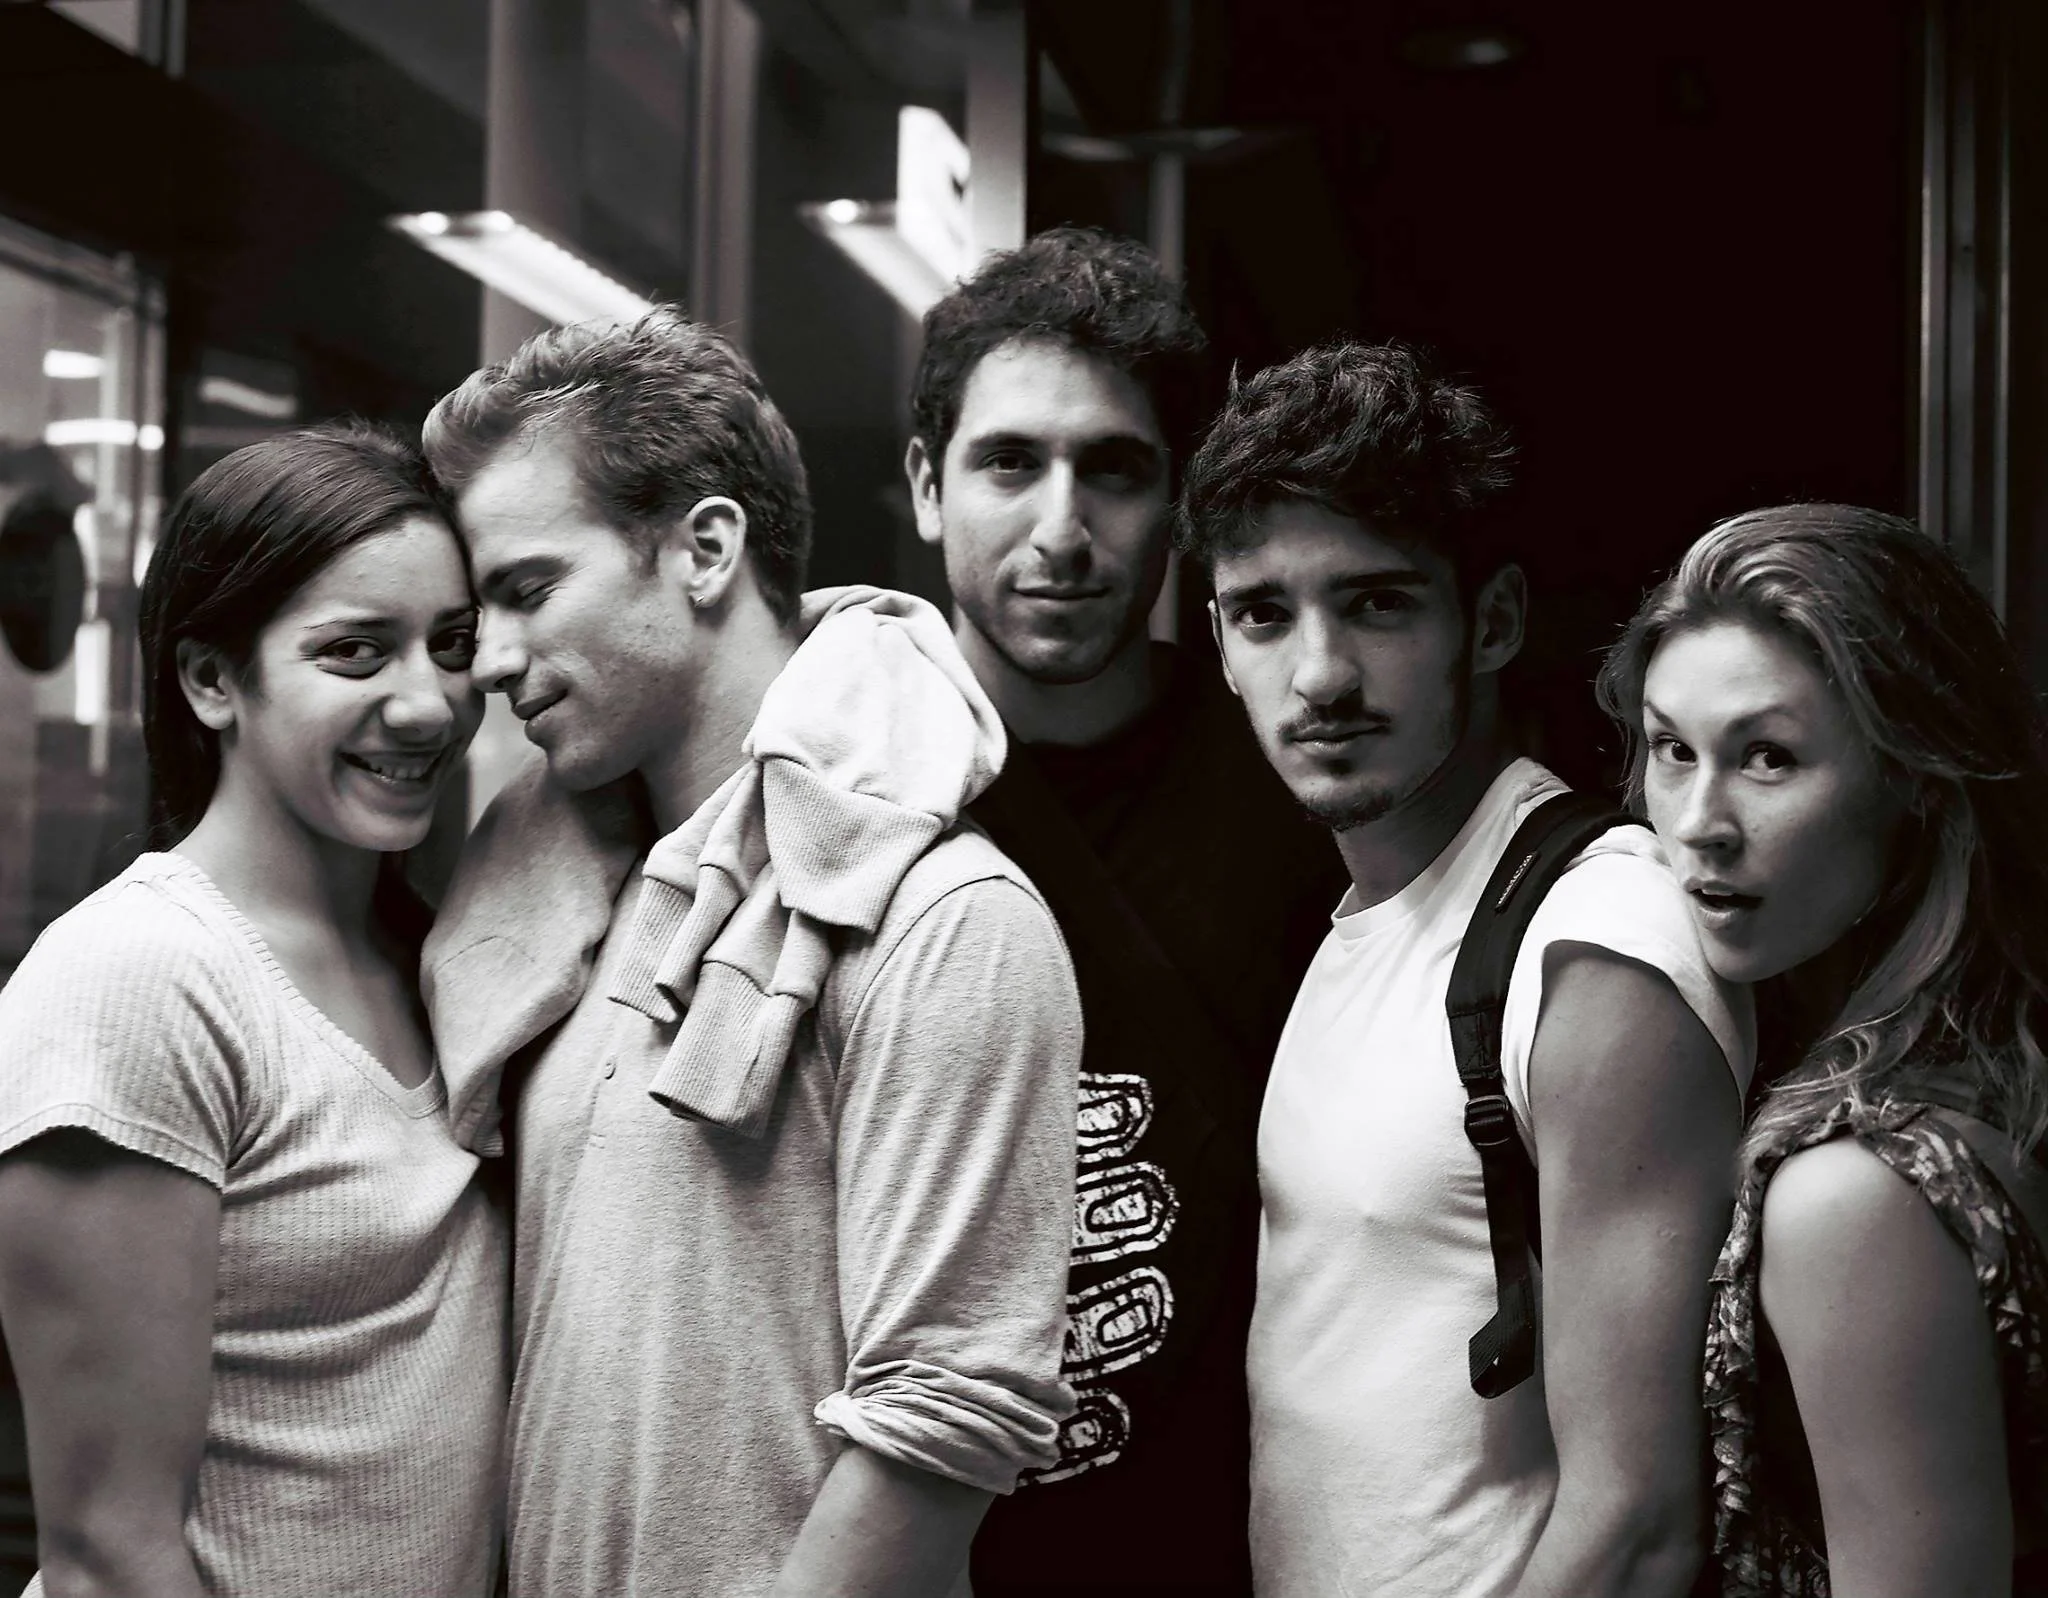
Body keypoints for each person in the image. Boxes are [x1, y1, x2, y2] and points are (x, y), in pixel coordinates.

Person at [418, 308, 1082, 1598]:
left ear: (705, 548)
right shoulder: (565, 899)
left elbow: (943, 1417)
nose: (489, 663)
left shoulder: (942, 918)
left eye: (528, 588)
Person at [1176, 341, 1756, 1598]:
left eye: (1377, 602)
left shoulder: (1595, 938)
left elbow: (1639, 1523)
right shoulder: (1360, 922)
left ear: (1486, 621)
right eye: (1263, 612)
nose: (1317, 674)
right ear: (1217, 640)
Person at [904, 226, 1343, 1595]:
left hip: (1225, 1533)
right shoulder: (841, 779)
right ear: (926, 484)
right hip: (902, 1525)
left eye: (1116, 468)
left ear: (1181, 504)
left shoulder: (1303, 786)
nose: (1061, 528)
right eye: (1008, 462)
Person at [0, 424, 507, 1598]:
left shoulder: (442, 949)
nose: (428, 703)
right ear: (211, 679)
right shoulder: (139, 979)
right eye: (355, 652)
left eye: (452, 644)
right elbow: (106, 1556)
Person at [1595, 503, 2048, 1598]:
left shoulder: (1855, 1190)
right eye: (1669, 749)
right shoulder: (1978, 1059)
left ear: (1908, 782)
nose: (1696, 819)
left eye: (1766, 757)